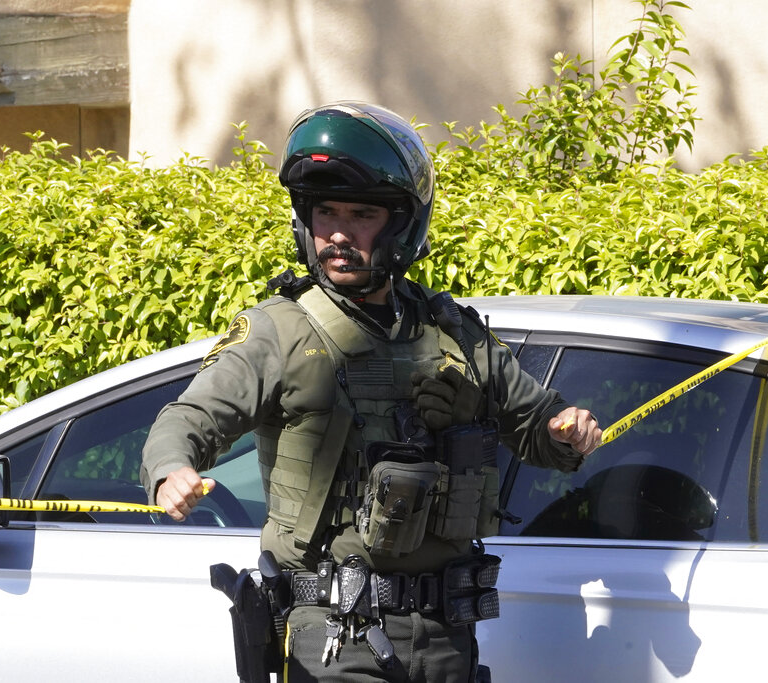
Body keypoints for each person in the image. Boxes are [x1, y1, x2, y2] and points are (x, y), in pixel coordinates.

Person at [141, 101, 601, 682]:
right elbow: (187, 419)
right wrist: (172, 470)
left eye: (361, 214)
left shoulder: (453, 333)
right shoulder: (279, 332)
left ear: (403, 224)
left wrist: (568, 431)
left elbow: (537, 423)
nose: (338, 233)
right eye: (324, 212)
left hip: (447, 639)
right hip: (335, 638)